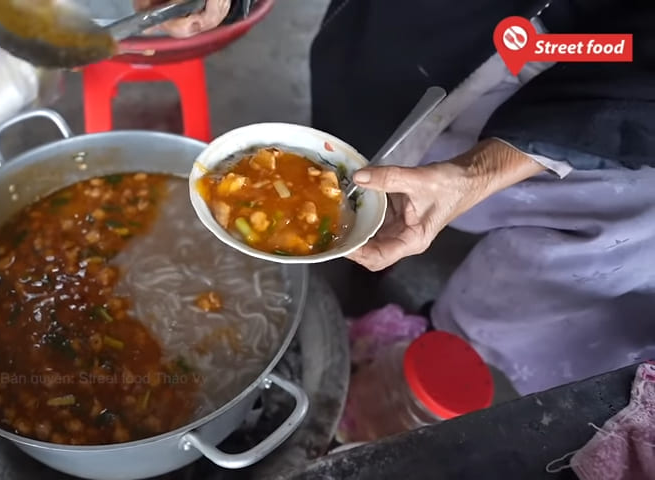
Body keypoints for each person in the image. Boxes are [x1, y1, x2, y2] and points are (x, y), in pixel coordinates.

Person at [146, 0, 655, 395]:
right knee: (370, 168)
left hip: (618, 60)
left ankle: (440, 348)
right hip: (419, 28)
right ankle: (371, 285)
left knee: (608, 241)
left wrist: (481, 170)